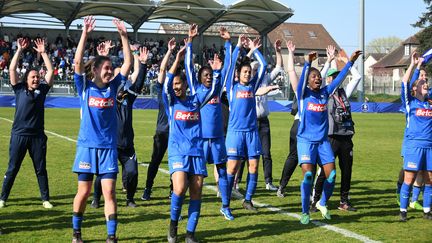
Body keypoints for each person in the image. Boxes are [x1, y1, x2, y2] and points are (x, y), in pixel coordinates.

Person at [71, 16, 131, 242]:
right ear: (95, 69)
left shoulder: (113, 87)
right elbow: (77, 64)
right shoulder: (84, 86)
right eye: (106, 68)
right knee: (84, 192)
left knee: (109, 192)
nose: (110, 71)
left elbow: (127, 64)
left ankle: (111, 237)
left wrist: (124, 37)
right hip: (87, 147)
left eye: (110, 68)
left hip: (107, 148)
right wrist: (85, 34)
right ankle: (77, 233)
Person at [291, 46, 361, 224]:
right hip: (305, 141)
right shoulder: (302, 95)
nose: (317, 78)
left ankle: (322, 203)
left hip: (322, 142)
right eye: (313, 77)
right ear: (307, 81)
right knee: (308, 176)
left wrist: (351, 61)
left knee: (331, 176)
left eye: (318, 77)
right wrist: (307, 63)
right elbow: (300, 82)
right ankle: (305, 211)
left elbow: (340, 78)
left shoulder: (325, 93)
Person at [163, 40, 221, 243]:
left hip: (197, 152)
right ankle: (173, 225)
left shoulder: (196, 100)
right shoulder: (171, 101)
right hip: (178, 151)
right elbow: (168, 79)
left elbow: (214, 89)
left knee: (196, 192)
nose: (176, 87)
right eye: (174, 84)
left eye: (180, 84)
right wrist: (178, 57)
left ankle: (190, 234)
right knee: (179, 188)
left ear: (186, 84)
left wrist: (217, 72)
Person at [184, 24, 234, 220]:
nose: (207, 77)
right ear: (198, 78)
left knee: (222, 172)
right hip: (200, 140)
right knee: (194, 176)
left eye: (209, 75)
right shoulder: (197, 90)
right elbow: (188, 65)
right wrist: (190, 42)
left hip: (218, 138)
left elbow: (228, 66)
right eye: (204, 75)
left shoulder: (216, 85)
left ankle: (225, 206)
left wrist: (228, 42)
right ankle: (184, 206)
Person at [91, 42, 149, 208]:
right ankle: (96, 198)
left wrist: (143, 63)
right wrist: (102, 56)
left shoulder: (127, 97)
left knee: (132, 172)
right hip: (110, 144)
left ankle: (130, 199)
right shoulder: (105, 95)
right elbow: (96, 78)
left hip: (127, 144)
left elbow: (138, 83)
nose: (121, 82)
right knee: (102, 174)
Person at [0, 37, 54, 209]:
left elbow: (51, 72)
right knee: (12, 168)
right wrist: (19, 50)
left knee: (41, 169)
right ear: (26, 79)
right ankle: (3, 198)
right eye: (33, 77)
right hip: (19, 136)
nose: (36, 79)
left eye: (38, 77)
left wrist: (43, 53)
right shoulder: (19, 88)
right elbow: (12, 68)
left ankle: (45, 199)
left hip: (37, 137)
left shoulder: (42, 91)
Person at [277, 42, 334, 197]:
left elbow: (319, 76)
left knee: (313, 160)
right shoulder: (300, 88)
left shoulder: (317, 89)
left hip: (313, 129)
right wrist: (290, 53)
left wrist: (328, 61)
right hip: (299, 126)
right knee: (294, 156)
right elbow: (291, 71)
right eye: (312, 76)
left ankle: (310, 194)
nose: (316, 79)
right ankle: (282, 185)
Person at [311, 52, 362, 212]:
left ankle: (344, 201)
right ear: (327, 79)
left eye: (336, 76)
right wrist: (330, 61)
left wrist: (347, 61)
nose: (334, 79)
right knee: (325, 171)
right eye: (331, 77)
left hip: (346, 136)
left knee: (347, 171)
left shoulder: (344, 92)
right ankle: (315, 200)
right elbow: (319, 78)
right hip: (331, 137)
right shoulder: (324, 94)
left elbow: (357, 77)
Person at [224, 35, 267, 211]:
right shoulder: (232, 87)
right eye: (245, 72)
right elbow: (231, 66)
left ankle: (248, 200)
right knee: (232, 168)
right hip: (235, 133)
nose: (248, 74)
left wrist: (255, 50)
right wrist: (238, 47)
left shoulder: (252, 87)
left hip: (252, 133)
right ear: (238, 74)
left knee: (254, 166)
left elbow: (263, 66)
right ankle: (225, 204)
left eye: (249, 72)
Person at [399, 52, 432, 221]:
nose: (425, 82)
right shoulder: (410, 102)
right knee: (409, 178)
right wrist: (413, 65)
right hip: (413, 145)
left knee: (430, 179)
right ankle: (403, 210)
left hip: (430, 146)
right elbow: (405, 82)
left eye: (426, 81)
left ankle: (427, 210)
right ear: (415, 88)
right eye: (422, 81)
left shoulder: (430, 102)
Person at [141, 39, 172, 201]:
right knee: (155, 162)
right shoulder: (161, 92)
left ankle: (173, 190)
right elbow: (161, 69)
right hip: (161, 132)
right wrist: (169, 51)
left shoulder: (178, 94)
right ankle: (147, 189)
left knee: (176, 163)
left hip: (176, 134)